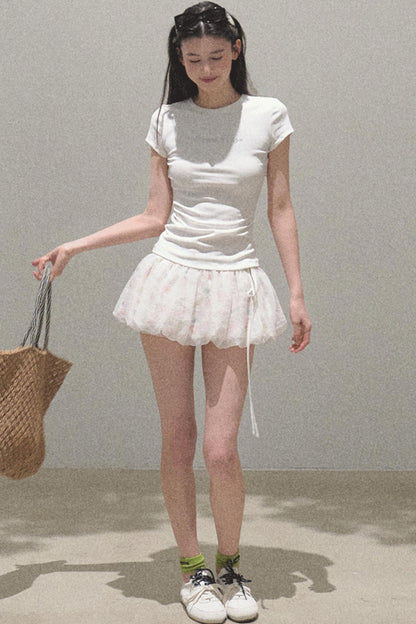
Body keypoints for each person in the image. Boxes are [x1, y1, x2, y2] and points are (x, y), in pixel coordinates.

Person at [32, 3, 311, 622]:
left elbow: (280, 208)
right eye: (193, 59)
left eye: (216, 56)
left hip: (236, 284)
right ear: (178, 59)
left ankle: (231, 567)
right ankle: (194, 571)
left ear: (237, 49)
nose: (205, 69)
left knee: (221, 449)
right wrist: (76, 245)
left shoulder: (269, 115)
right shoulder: (167, 120)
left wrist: (295, 292)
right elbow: (155, 215)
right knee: (178, 438)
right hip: (171, 280)